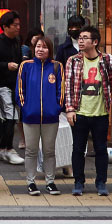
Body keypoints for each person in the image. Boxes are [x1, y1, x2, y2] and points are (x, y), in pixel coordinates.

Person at [63, 25, 112, 197]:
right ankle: (78, 181)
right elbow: (68, 86)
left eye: (85, 37)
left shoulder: (107, 60)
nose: (81, 40)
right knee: (78, 149)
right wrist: (70, 109)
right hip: (80, 112)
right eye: (80, 37)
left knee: (101, 149)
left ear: (95, 42)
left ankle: (101, 182)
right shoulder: (73, 61)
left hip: (101, 113)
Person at [19, 33, 65, 194]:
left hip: (50, 117)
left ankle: (50, 181)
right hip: (30, 116)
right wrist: (25, 108)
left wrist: (56, 108)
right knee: (31, 150)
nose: (40, 49)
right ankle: (31, 182)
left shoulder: (57, 66)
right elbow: (20, 90)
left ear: (50, 50)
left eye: (44, 47)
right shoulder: (26, 66)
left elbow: (62, 91)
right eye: (38, 46)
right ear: (33, 48)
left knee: (49, 151)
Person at [0, 11, 25, 165]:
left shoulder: (17, 41)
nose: (18, 28)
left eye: (19, 25)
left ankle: (2, 149)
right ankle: (7, 149)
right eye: (15, 25)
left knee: (9, 117)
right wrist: (6, 65)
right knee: (10, 116)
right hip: (0, 85)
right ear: (5, 26)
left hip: (13, 84)